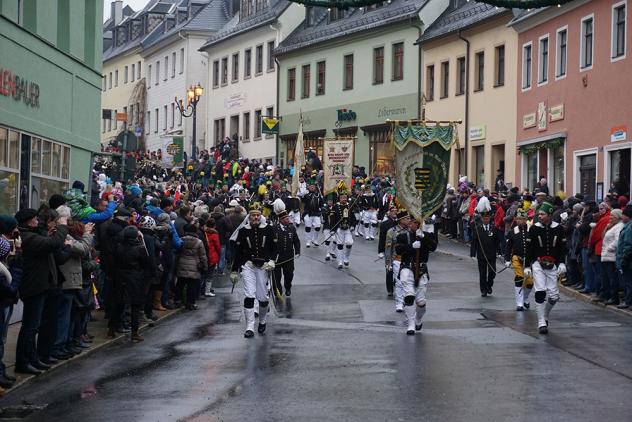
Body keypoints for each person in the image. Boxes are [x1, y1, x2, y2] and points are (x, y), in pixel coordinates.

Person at [14, 208, 68, 375]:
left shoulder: (32, 234)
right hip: (34, 286)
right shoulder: (27, 237)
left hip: (40, 284)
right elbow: (52, 244)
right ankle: (23, 361)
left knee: (34, 325)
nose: (38, 221)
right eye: (35, 218)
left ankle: (32, 358)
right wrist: (62, 227)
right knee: (30, 327)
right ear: (28, 221)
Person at [231, 205, 277, 338]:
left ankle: (262, 321)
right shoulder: (244, 231)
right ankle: (250, 326)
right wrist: (234, 270)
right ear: (249, 217)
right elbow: (238, 252)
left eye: (257, 215)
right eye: (253, 215)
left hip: (263, 267)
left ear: (260, 216)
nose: (255, 217)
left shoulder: (268, 229)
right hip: (248, 266)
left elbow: (275, 248)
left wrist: (272, 261)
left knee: (263, 298)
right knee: (250, 295)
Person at [524, 202, 567, 334]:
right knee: (540, 291)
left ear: (549, 215)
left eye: (542, 214)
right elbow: (529, 249)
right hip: (538, 264)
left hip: (553, 265)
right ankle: (541, 321)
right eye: (539, 214)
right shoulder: (534, 228)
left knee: (554, 296)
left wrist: (562, 263)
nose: (540, 216)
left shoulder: (559, 229)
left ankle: (545, 314)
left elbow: (562, 248)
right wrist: (527, 266)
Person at [395, 216, 437, 334]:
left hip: (421, 269)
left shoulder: (426, 235)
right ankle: (411, 324)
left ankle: (418, 319)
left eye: (417, 222)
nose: (414, 224)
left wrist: (424, 238)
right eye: (412, 222)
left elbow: (433, 247)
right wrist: (411, 246)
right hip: (407, 268)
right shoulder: (402, 235)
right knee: (409, 296)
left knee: (421, 302)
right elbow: (398, 250)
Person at [111, 226, 151, 342]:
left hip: (120, 276)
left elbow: (114, 261)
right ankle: (134, 333)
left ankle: (111, 329)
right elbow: (146, 264)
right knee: (135, 305)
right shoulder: (140, 248)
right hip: (135, 278)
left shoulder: (118, 246)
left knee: (118, 304)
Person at [504, 209, 533, 311]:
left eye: (522, 219)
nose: (520, 221)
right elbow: (508, 247)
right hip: (517, 258)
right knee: (519, 278)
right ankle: (519, 303)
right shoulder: (513, 232)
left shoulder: (531, 230)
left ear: (526, 219)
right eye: (518, 219)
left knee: (530, 282)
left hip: (529, 259)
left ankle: (525, 298)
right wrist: (507, 259)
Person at [176, 224, 208, 310]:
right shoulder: (199, 242)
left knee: (180, 284)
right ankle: (191, 303)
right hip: (195, 266)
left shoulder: (181, 240)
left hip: (182, 263)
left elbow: (177, 252)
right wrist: (205, 267)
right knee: (193, 286)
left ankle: (178, 300)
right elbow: (203, 256)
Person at [471, 210, 500, 297]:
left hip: (491, 254)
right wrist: (473, 254)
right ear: (482, 219)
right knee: (482, 273)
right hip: (481, 254)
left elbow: (497, 241)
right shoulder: (477, 228)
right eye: (484, 218)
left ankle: (489, 285)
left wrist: (499, 252)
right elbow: (474, 242)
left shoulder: (494, 228)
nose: (486, 220)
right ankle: (483, 290)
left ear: (490, 218)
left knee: (492, 272)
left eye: (487, 218)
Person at [272, 210, 300, 297]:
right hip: (277, 257)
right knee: (276, 277)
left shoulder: (291, 228)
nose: (287, 220)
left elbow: (296, 241)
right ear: (280, 219)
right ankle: (278, 291)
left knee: (289, 274)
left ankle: (288, 287)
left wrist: (297, 252)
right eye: (285, 218)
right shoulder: (274, 228)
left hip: (288, 257)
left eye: (288, 218)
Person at [385, 210, 410, 308]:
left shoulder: (410, 231)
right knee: (399, 282)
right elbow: (388, 248)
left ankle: (405, 299)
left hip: (408, 260)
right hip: (397, 259)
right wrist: (388, 263)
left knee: (407, 282)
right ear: (401, 220)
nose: (409, 220)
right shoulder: (392, 231)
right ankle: (399, 302)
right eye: (407, 219)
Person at [378, 207, 398, 296]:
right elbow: (382, 238)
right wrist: (380, 251)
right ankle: (390, 289)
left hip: (397, 250)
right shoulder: (384, 224)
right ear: (389, 212)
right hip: (388, 250)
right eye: (392, 211)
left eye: (396, 211)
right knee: (389, 269)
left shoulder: (400, 223)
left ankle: (396, 284)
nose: (394, 212)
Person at [332, 192, 355, 269]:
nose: (344, 199)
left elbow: (353, 217)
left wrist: (353, 225)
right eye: (343, 198)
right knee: (340, 244)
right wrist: (332, 229)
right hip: (339, 229)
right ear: (340, 198)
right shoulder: (336, 206)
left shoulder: (350, 206)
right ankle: (340, 261)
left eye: (345, 197)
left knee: (349, 242)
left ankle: (346, 258)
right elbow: (332, 218)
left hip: (347, 228)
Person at [616, 206, 632, 309]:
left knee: (628, 282)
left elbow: (628, 245)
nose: (622, 217)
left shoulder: (629, 227)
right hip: (626, 258)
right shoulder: (627, 226)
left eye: (624, 215)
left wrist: (624, 258)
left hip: (627, 260)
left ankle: (628, 302)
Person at [302, 182, 323, 247]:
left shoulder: (318, 195)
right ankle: (308, 241)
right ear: (309, 187)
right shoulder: (306, 194)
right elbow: (303, 201)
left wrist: (322, 199)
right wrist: (303, 196)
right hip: (308, 213)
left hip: (316, 213)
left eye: (313, 186)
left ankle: (314, 239)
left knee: (318, 226)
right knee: (308, 227)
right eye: (311, 186)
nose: (312, 187)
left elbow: (321, 204)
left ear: (315, 187)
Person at [203, 219, 221, 297]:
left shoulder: (204, 233)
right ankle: (207, 290)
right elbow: (217, 246)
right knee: (210, 274)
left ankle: (202, 289)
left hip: (204, 255)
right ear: (214, 226)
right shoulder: (214, 234)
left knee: (204, 273)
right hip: (212, 255)